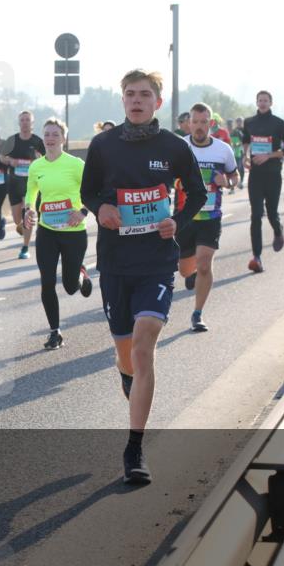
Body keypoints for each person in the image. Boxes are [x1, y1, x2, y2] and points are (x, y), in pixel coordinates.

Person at [81, 69, 206, 484]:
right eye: (130, 94)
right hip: (116, 262)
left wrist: (178, 219)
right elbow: (89, 191)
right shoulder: (103, 145)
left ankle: (134, 448)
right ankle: (129, 382)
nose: (136, 100)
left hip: (156, 260)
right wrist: (102, 209)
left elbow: (198, 192)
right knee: (126, 355)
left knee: (144, 344)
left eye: (144, 94)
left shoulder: (173, 146)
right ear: (123, 101)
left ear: (158, 101)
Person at [23, 117, 92, 350]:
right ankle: (55, 332)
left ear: (64, 138)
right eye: (47, 134)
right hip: (47, 231)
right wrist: (29, 210)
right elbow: (31, 193)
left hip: (73, 231)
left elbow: (94, 191)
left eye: (55, 134)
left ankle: (81, 274)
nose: (50, 138)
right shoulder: (36, 167)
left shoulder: (76, 165)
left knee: (70, 286)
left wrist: (82, 211)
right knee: (47, 282)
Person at [175, 103, 239, 332]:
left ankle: (197, 313)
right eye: (195, 122)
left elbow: (235, 175)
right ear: (188, 123)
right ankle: (189, 272)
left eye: (204, 122)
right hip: (184, 217)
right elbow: (164, 175)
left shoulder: (223, 150)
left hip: (211, 217)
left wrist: (228, 182)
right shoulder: (179, 147)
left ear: (210, 124)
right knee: (185, 270)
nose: (200, 127)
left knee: (204, 264)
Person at [242, 90, 284, 274]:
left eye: (265, 100)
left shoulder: (278, 123)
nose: (262, 103)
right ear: (256, 102)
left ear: (271, 103)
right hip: (255, 175)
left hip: (273, 174)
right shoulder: (249, 122)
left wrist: (268, 155)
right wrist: (245, 157)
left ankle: (278, 231)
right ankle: (257, 257)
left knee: (271, 213)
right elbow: (245, 141)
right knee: (256, 215)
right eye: (260, 100)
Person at [1, 111, 46, 259]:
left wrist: (38, 162)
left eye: (28, 120)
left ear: (32, 123)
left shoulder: (37, 141)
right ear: (19, 123)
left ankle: (25, 247)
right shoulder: (12, 140)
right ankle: (22, 226)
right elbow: (2, 156)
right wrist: (10, 161)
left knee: (29, 212)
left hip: (31, 184)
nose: (25, 122)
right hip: (14, 182)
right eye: (22, 120)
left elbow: (49, 157)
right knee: (16, 219)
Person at [230, 117, 246, 190]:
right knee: (234, 167)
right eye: (238, 121)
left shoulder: (245, 130)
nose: (239, 123)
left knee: (241, 167)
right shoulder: (234, 131)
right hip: (234, 151)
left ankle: (241, 181)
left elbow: (246, 140)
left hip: (242, 151)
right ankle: (235, 183)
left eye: (240, 121)